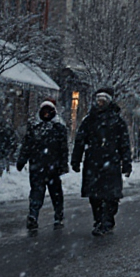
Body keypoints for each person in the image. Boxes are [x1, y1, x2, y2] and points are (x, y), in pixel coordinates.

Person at [72, 88, 133, 236]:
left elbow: (124, 144)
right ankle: (99, 220)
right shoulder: (89, 120)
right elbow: (80, 140)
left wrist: (126, 163)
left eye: (103, 100)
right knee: (95, 196)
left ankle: (108, 220)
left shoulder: (117, 121)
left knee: (111, 195)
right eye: (98, 100)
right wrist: (76, 159)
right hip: (93, 162)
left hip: (111, 162)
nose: (100, 103)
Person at [17, 99, 68, 230]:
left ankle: (58, 215)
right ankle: (33, 215)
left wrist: (63, 164)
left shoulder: (58, 129)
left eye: (48, 111)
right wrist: (22, 159)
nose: (46, 114)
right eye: (44, 111)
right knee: (36, 193)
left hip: (53, 168)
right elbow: (27, 146)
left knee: (55, 193)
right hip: (37, 166)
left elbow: (63, 149)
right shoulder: (35, 128)